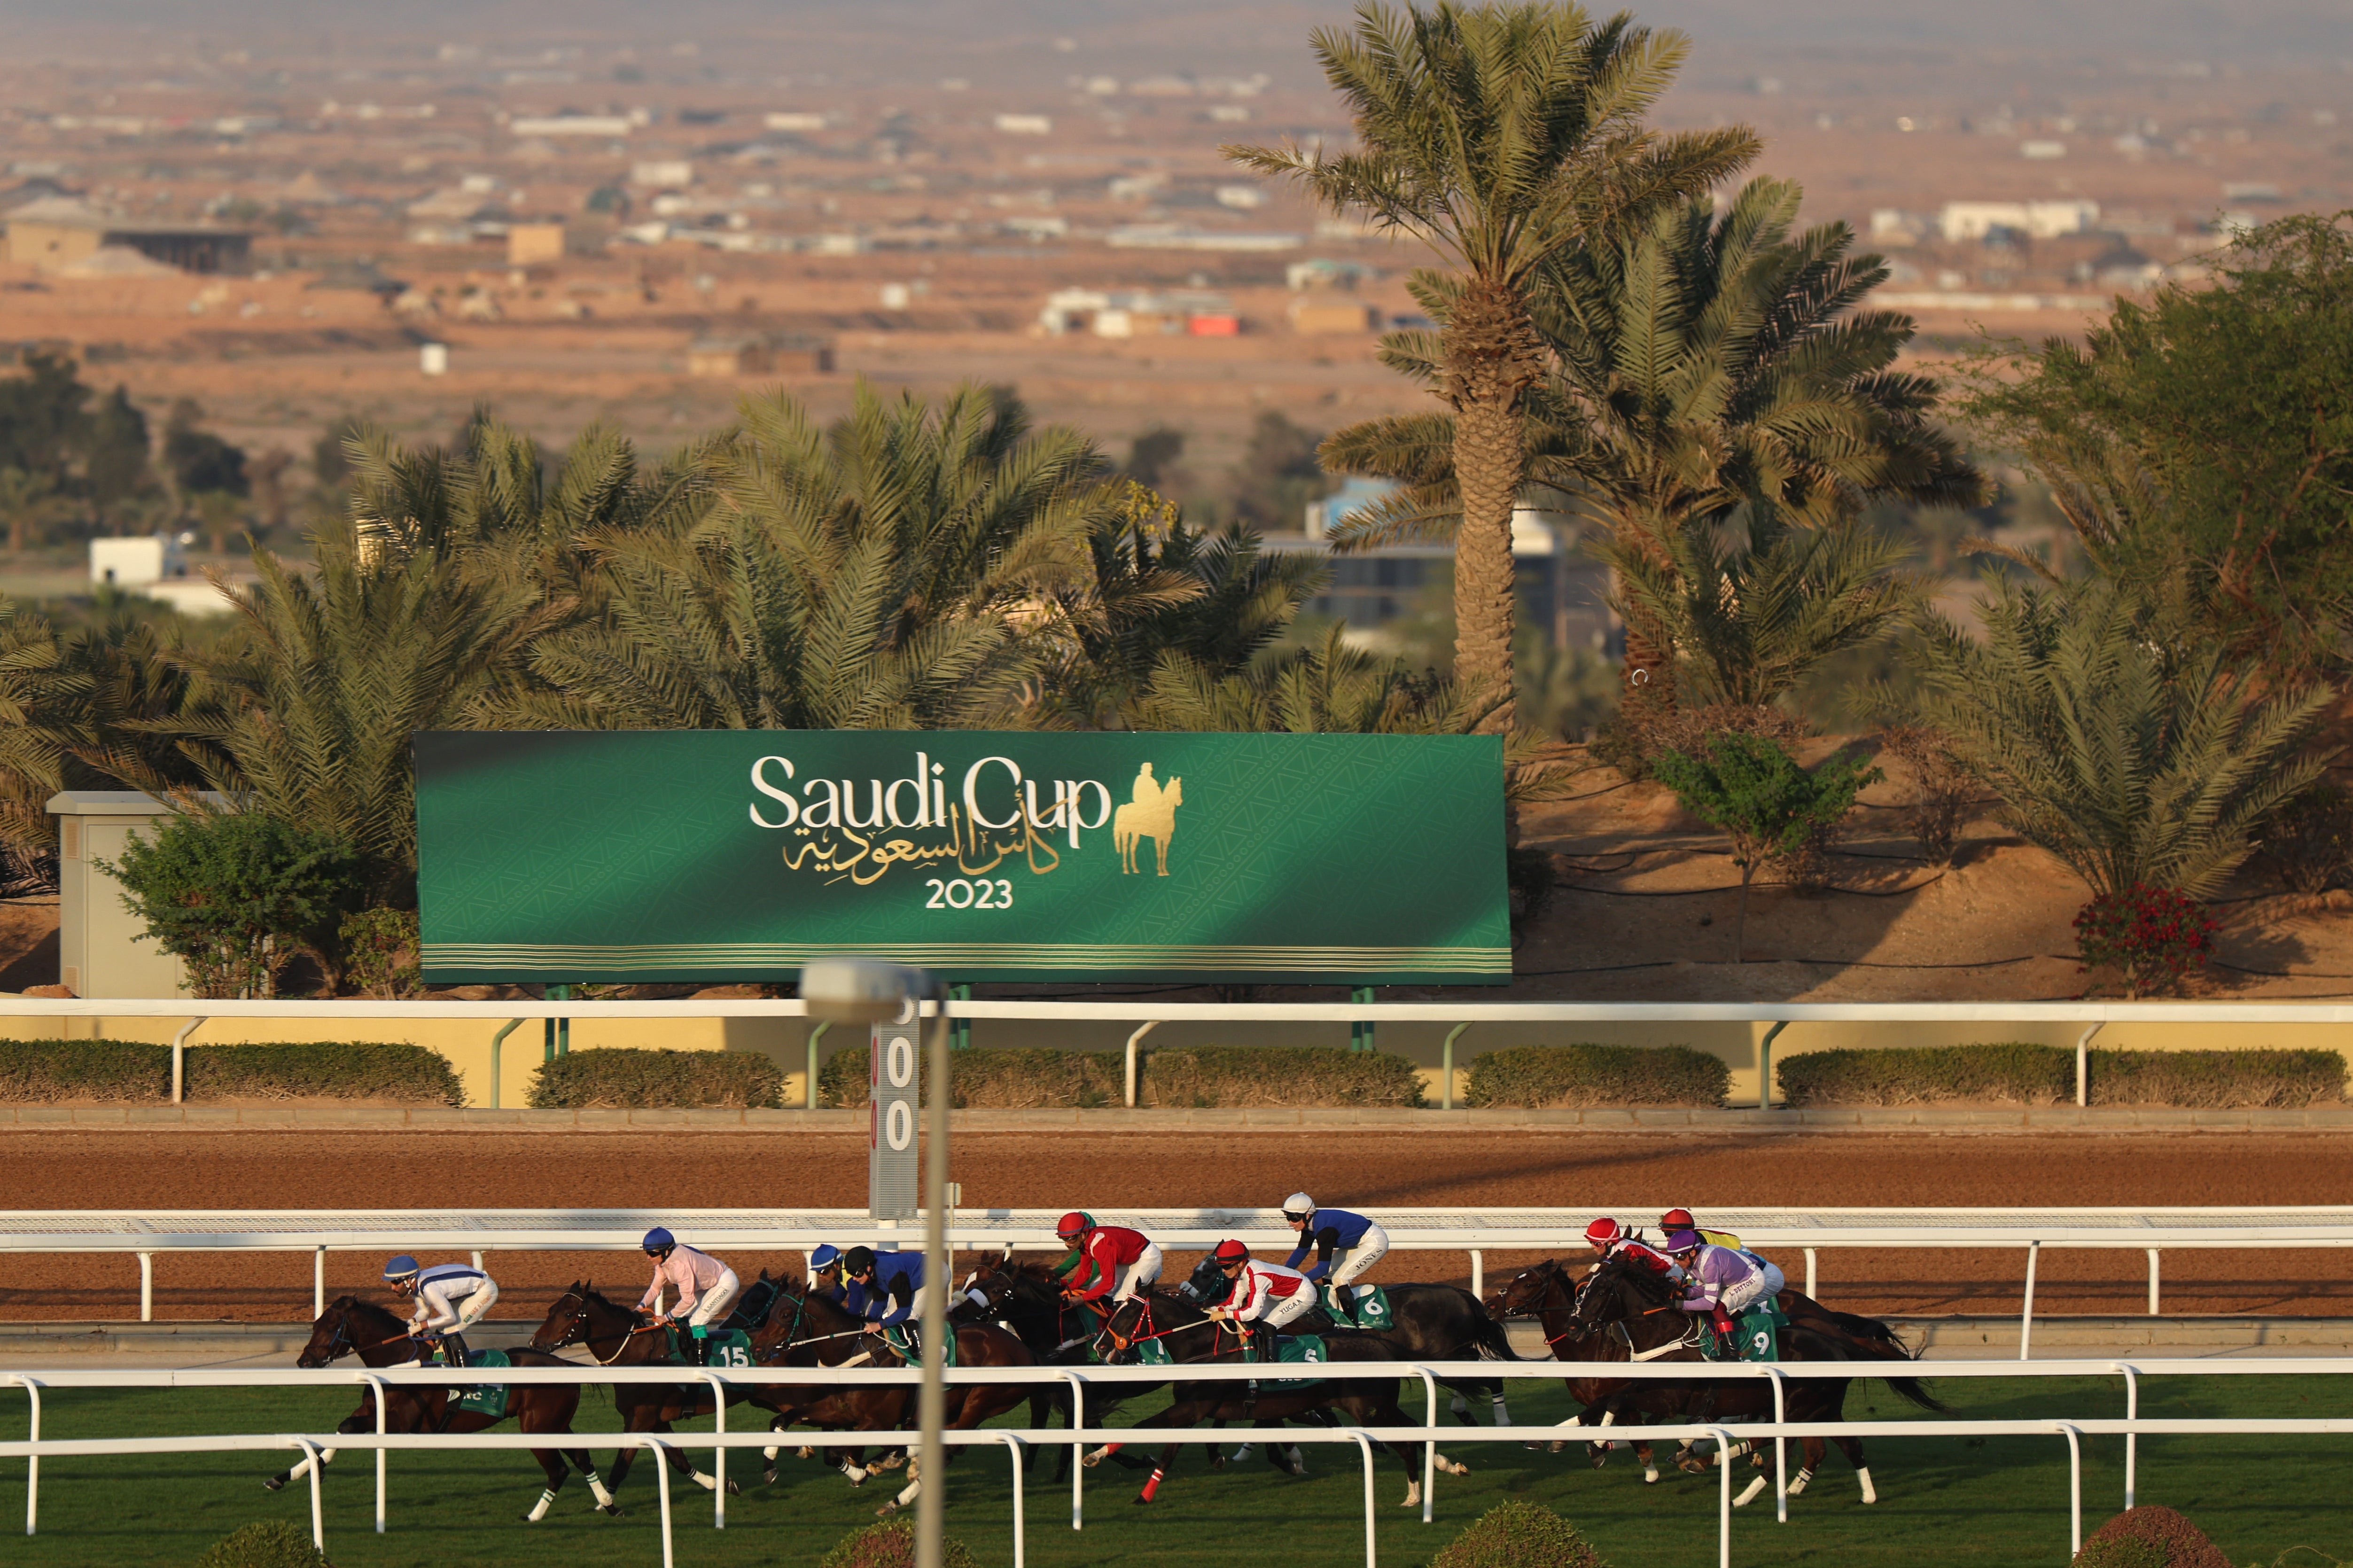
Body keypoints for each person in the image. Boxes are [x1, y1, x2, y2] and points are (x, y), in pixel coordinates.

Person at [637, 1228, 740, 1367]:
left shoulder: (680, 1266)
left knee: (697, 1322)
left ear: (666, 1252)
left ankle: (700, 1364)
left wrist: (667, 1317)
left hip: (724, 1282)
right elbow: (655, 1290)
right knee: (682, 1316)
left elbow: (688, 1300)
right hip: (706, 1285)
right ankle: (684, 1354)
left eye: (652, 1253)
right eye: (647, 1253)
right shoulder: (663, 1262)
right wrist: (639, 1308)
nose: (648, 1257)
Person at [1279, 1193, 1389, 1323]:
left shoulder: (1325, 1230)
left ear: (1307, 1215)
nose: (1291, 1223)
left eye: (1294, 1218)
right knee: (1330, 1276)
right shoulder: (1309, 1226)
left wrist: (1297, 1283)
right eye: (1288, 1218)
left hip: (1373, 1241)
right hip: (1356, 1242)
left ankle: (1351, 1322)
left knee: (1340, 1279)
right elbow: (1302, 1251)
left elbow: (1322, 1269)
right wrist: (1283, 1275)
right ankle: (1337, 1313)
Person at [1663, 1229, 1777, 1346]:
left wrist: (1678, 1305)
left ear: (1692, 1253)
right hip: (1732, 1281)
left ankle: (1731, 1350)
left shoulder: (1710, 1264)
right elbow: (1705, 1289)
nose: (1677, 1262)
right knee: (1708, 1306)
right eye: (1673, 1257)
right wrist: (1687, 1292)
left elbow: (1709, 1303)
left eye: (1679, 1256)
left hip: (1753, 1279)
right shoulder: (1690, 1262)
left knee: (1718, 1308)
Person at [384, 1253, 498, 1369]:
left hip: (485, 1290)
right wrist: (414, 1321)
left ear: (409, 1281)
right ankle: (452, 1366)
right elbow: (424, 1312)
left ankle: (466, 1378)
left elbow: (450, 1318)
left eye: (396, 1283)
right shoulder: (415, 1287)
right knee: (439, 1330)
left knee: (451, 1330)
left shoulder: (429, 1289)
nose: (393, 1288)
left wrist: (422, 1325)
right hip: (470, 1289)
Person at [1204, 1238, 1318, 1334]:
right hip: (1280, 1294)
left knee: (1268, 1326)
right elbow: (1233, 1303)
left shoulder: (1258, 1277)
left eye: (1227, 1266)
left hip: (1303, 1294)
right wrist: (1211, 1310)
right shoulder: (1241, 1273)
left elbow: (1252, 1312)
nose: (1224, 1271)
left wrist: (1225, 1315)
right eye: (1221, 1266)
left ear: (1240, 1263)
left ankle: (1271, 1360)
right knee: (1253, 1323)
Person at [1054, 1211, 1162, 1307]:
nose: (1067, 1244)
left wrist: (1082, 1299)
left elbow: (1109, 1283)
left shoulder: (1101, 1245)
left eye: (1071, 1239)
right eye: (1064, 1239)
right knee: (1095, 1293)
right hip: (1128, 1261)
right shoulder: (1086, 1243)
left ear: (1083, 1235)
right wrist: (1067, 1290)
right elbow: (1085, 1273)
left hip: (1147, 1257)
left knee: (1122, 1298)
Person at [843, 1245, 929, 1357]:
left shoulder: (891, 1274)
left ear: (868, 1268)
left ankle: (924, 1354)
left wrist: (879, 1326)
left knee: (909, 1316)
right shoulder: (875, 1274)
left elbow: (904, 1310)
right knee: (893, 1314)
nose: (854, 1279)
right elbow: (880, 1303)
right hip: (915, 1279)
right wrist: (868, 1320)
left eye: (856, 1274)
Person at [1583, 1216, 1687, 1285]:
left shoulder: (1626, 1250)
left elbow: (1666, 1263)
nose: (1593, 1247)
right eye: (1591, 1242)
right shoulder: (1613, 1251)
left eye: (1597, 1243)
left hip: (1672, 1270)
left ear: (1610, 1242)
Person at [1659, 1208, 1744, 1250]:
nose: (1668, 1239)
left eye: (1671, 1235)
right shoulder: (1691, 1240)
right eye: (1666, 1233)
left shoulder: (1698, 1244)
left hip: (1743, 1256)